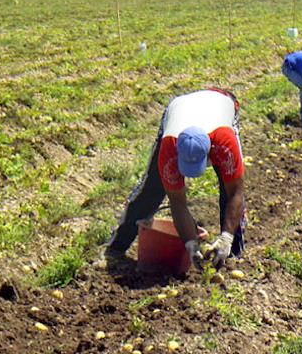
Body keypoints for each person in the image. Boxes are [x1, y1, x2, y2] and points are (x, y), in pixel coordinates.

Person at [104, 88, 246, 271]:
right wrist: (191, 244)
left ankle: (231, 253)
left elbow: (237, 191)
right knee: (153, 187)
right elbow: (177, 202)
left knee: (229, 190)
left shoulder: (224, 142)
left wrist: (226, 237)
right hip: (179, 109)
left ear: (210, 151)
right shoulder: (170, 145)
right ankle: (116, 248)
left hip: (222, 103)